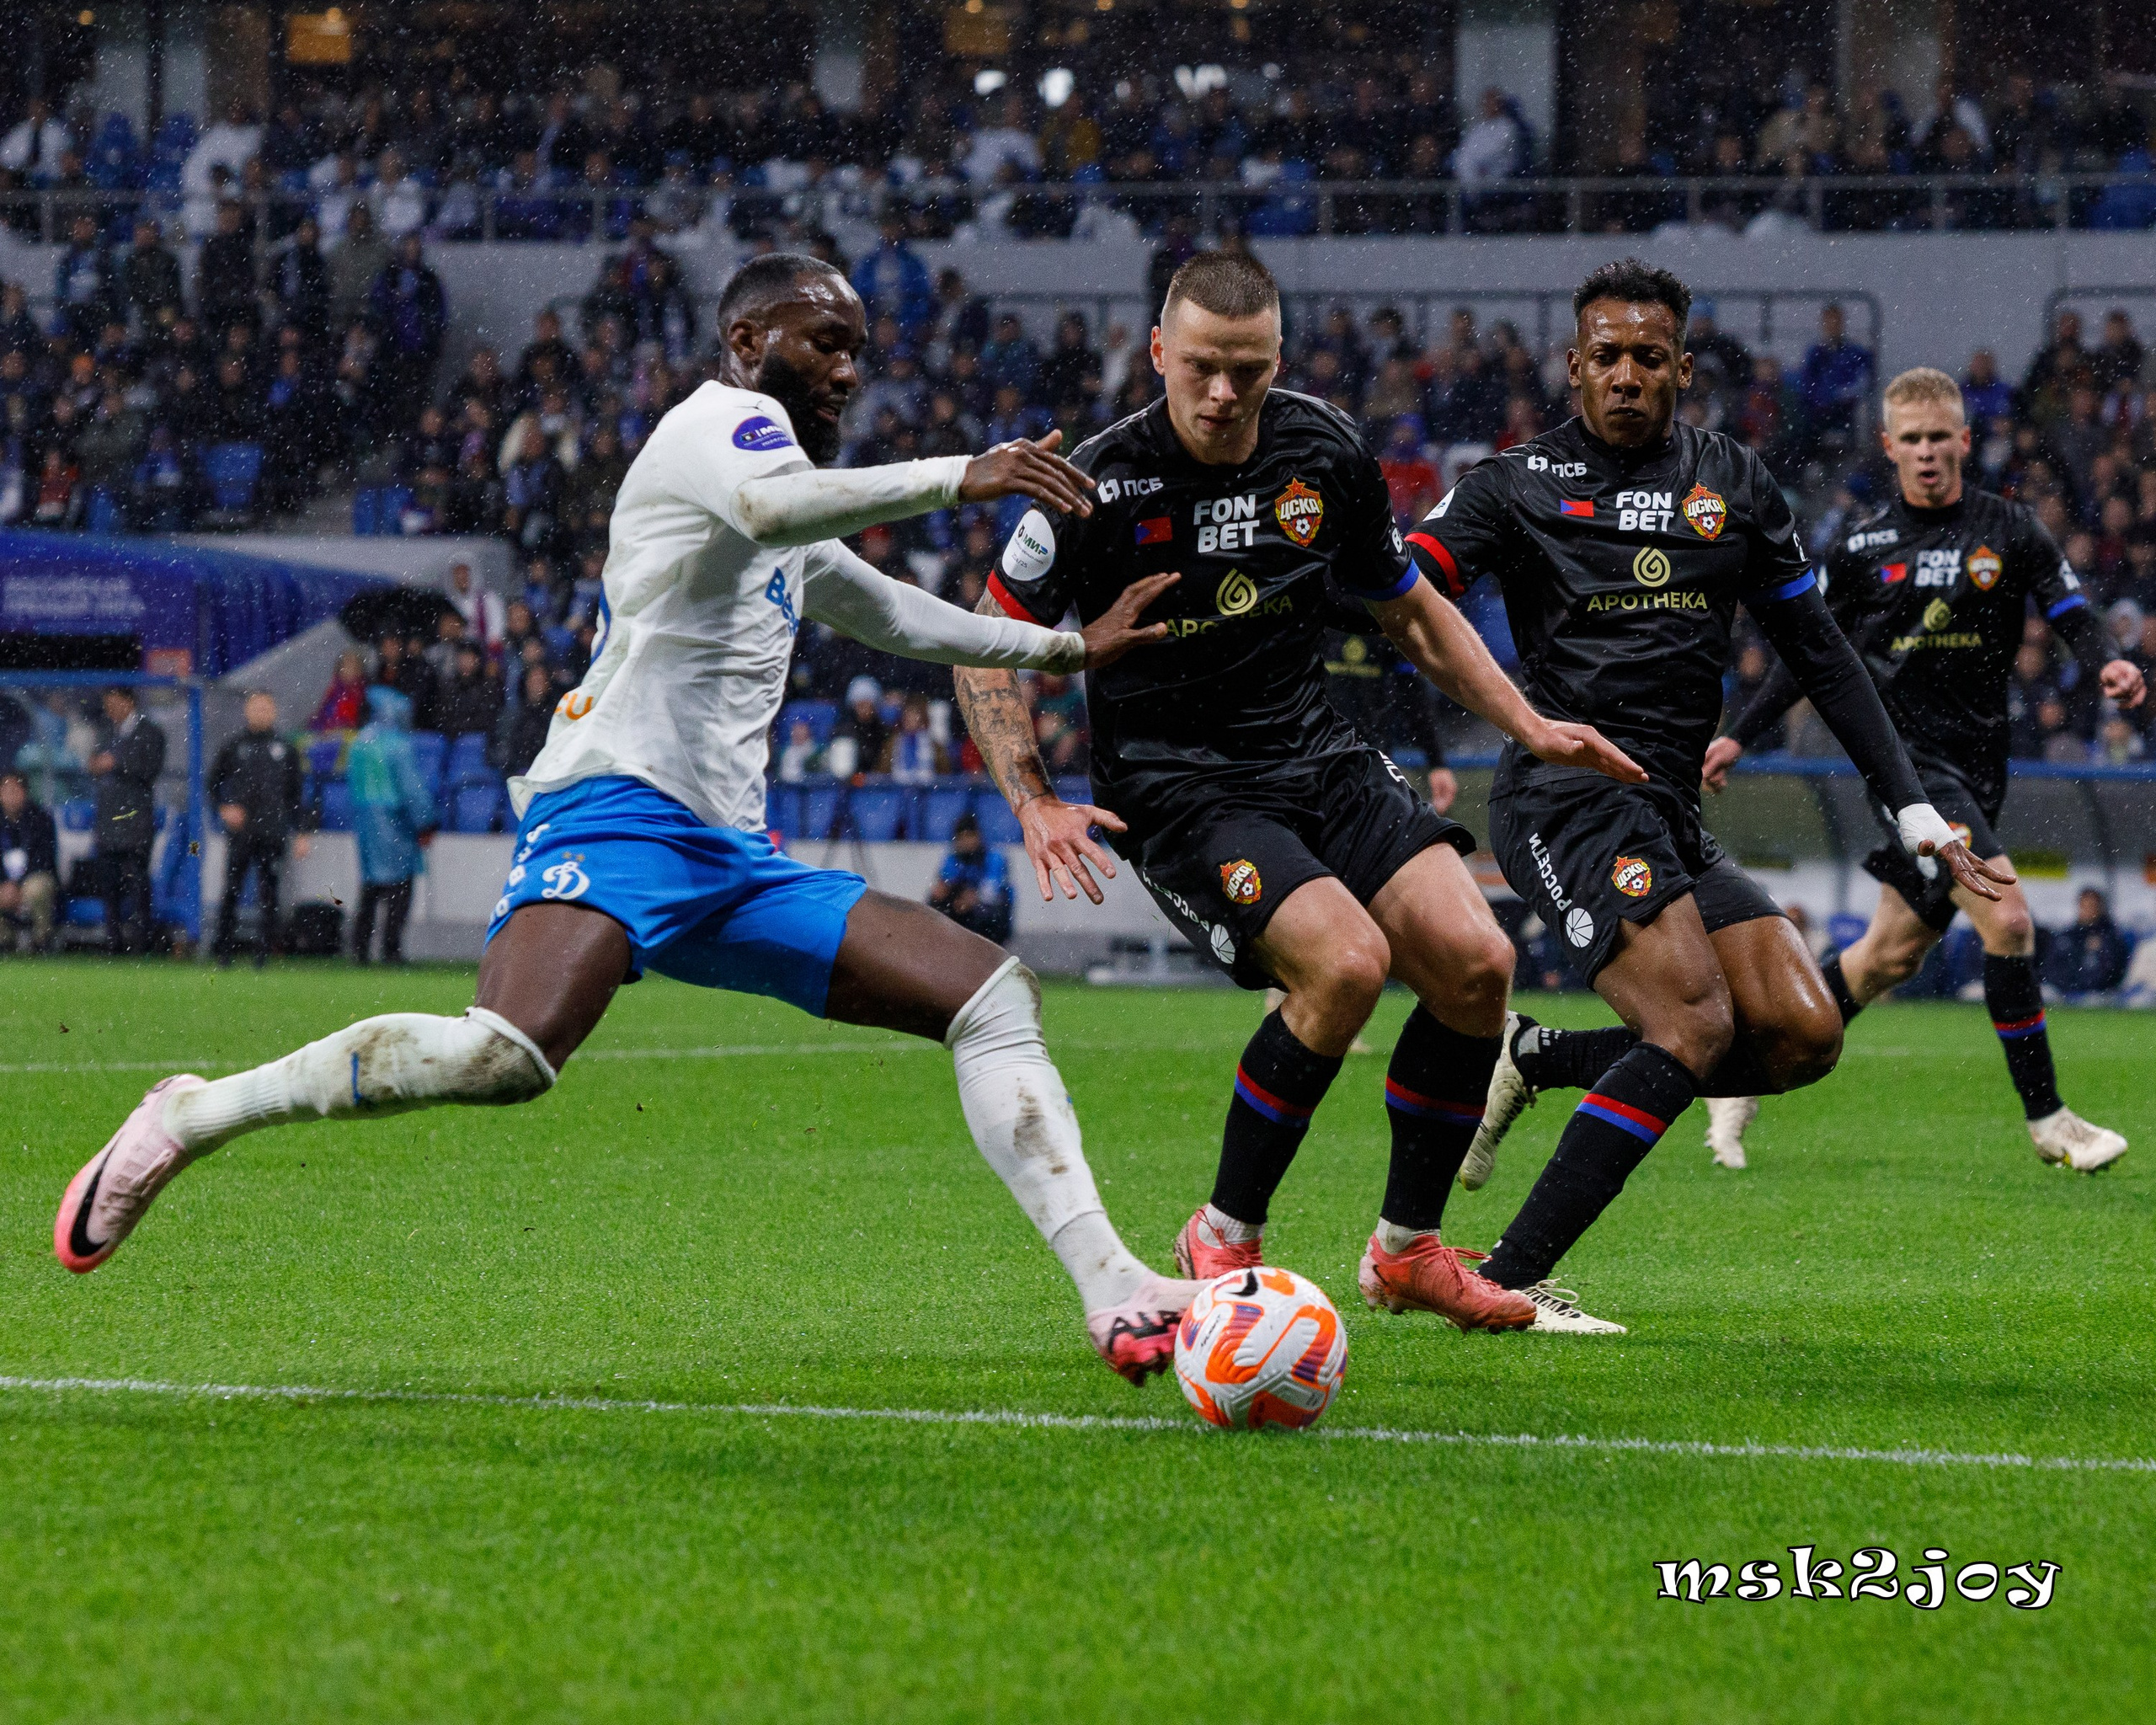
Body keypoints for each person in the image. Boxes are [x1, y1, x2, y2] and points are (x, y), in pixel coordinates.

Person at [55, 253, 1196, 1388]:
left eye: (857, 349)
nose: (848, 369)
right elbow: (770, 503)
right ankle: (194, 1113)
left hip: (727, 855)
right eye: (824, 343)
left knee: (989, 996)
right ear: (748, 343)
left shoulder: (790, 490)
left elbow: (888, 610)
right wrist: (969, 474)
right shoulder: (715, 429)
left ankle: (1115, 1287)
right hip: (613, 810)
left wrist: (1061, 649)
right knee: (506, 1057)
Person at [955, 249, 1643, 1338]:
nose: (1225, 394)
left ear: (1278, 358)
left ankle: (1406, 1251)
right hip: (1181, 787)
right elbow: (984, 644)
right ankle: (1223, 1236)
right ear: (1157, 356)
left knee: (1478, 965)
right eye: (1201, 370)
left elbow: (1407, 609)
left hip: (1317, 756)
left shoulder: (1321, 450)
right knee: (1347, 963)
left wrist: (1525, 721)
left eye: (1249, 369)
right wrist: (1033, 793)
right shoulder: (1095, 485)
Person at [1410, 260, 2002, 1330]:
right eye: (1606, 358)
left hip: (1669, 809)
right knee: (1689, 1019)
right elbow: (1405, 592)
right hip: (1564, 797)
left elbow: (1820, 653)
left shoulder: (1731, 481)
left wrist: (1911, 804)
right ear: (1573, 367)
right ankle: (1501, 1280)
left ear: (1682, 367)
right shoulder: (1517, 483)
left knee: (1799, 1030)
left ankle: (1535, 1053)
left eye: (1648, 357)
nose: (1627, 376)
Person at [1705, 366, 2144, 1172]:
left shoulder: (2010, 530)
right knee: (2009, 921)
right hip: (1905, 770)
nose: (1928, 452)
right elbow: (1810, 652)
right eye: (1912, 440)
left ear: (1965, 441)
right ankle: (2050, 1121)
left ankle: (1740, 1073)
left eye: (1941, 436)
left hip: (1979, 768)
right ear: (1889, 447)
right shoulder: (1864, 546)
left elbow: (2070, 607)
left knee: (1885, 958)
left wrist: (2108, 662)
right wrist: (1740, 735)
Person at [208, 691, 310, 966]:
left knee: (269, 893)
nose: (261, 713)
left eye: (266, 708)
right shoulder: (234, 746)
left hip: (273, 832)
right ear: (247, 711)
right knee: (232, 890)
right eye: (256, 708)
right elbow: (212, 784)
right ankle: (223, 951)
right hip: (242, 833)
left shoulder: (284, 749)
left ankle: (263, 954)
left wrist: (301, 832)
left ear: (274, 712)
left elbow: (296, 794)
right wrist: (225, 807)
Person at [345, 685, 436, 964]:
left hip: (365, 822)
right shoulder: (398, 745)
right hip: (395, 823)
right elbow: (412, 789)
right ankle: (391, 948)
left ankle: (360, 948)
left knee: (371, 885)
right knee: (400, 886)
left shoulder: (360, 742)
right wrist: (426, 822)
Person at [88, 686, 168, 955]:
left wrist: (115, 763)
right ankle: (114, 943)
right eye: (107, 704)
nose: (110, 710)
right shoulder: (105, 732)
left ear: (129, 702)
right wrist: (98, 764)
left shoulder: (150, 732)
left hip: (136, 820)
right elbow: (94, 763)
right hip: (108, 820)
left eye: (114, 703)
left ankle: (142, 942)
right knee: (109, 884)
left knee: (137, 882)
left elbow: (149, 769)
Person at [929, 814, 1013, 943]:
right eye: (961, 838)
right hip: (965, 906)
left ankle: (987, 948)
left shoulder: (994, 857)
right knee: (935, 903)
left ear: (978, 836)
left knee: (984, 912)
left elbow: (992, 891)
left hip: (993, 909)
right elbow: (943, 885)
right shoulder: (953, 857)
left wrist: (973, 898)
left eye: (969, 836)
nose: (966, 842)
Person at [0, 770, 58, 953]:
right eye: (5, 790)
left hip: (31, 879)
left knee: (37, 887)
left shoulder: (41, 819)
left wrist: (17, 885)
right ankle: (5, 939)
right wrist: (4, 885)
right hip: (3, 886)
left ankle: (41, 941)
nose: (10, 796)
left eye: (14, 790)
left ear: (24, 792)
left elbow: (44, 859)